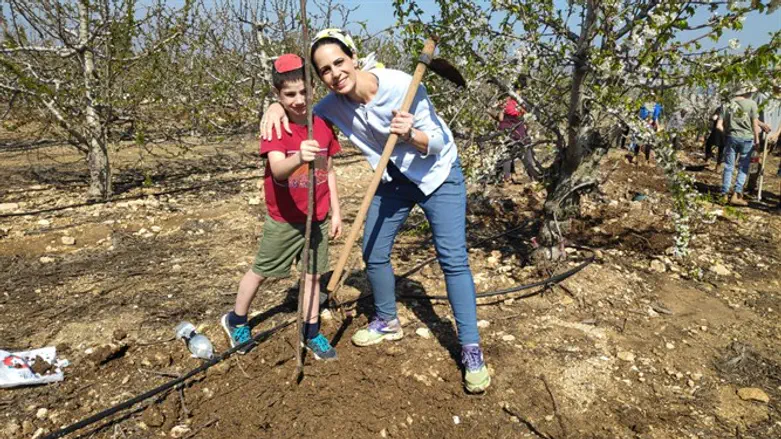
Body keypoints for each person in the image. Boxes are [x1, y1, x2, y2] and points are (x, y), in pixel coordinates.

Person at [262, 29, 491, 393]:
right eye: (324, 70)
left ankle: (471, 347)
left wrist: (410, 135)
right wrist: (274, 105)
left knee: (452, 259)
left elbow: (437, 143)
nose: (334, 73)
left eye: (339, 62)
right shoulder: (331, 105)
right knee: (373, 250)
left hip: (437, 174)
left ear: (353, 57)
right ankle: (387, 319)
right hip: (392, 180)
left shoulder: (401, 85)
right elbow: (299, 109)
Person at [221, 54, 343, 360]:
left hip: (317, 217)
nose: (299, 100)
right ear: (278, 95)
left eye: (304, 92)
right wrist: (299, 157)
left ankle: (311, 331)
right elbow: (277, 170)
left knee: (313, 275)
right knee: (262, 271)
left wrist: (337, 212)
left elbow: (328, 170)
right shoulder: (275, 127)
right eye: (289, 95)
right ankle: (236, 319)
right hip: (285, 220)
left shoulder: (323, 125)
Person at [717, 86, 760, 206]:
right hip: (747, 138)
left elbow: (719, 125)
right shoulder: (752, 104)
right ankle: (736, 194)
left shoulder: (726, 104)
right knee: (743, 167)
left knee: (729, 166)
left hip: (732, 137)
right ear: (748, 92)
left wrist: (727, 134)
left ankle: (724, 194)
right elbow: (755, 124)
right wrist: (757, 140)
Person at [489, 76, 530, 183]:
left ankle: (506, 177)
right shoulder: (522, 101)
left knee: (507, 152)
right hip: (518, 128)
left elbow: (501, 118)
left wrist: (491, 113)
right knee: (527, 148)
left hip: (505, 128)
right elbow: (525, 117)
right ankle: (532, 175)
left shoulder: (506, 99)